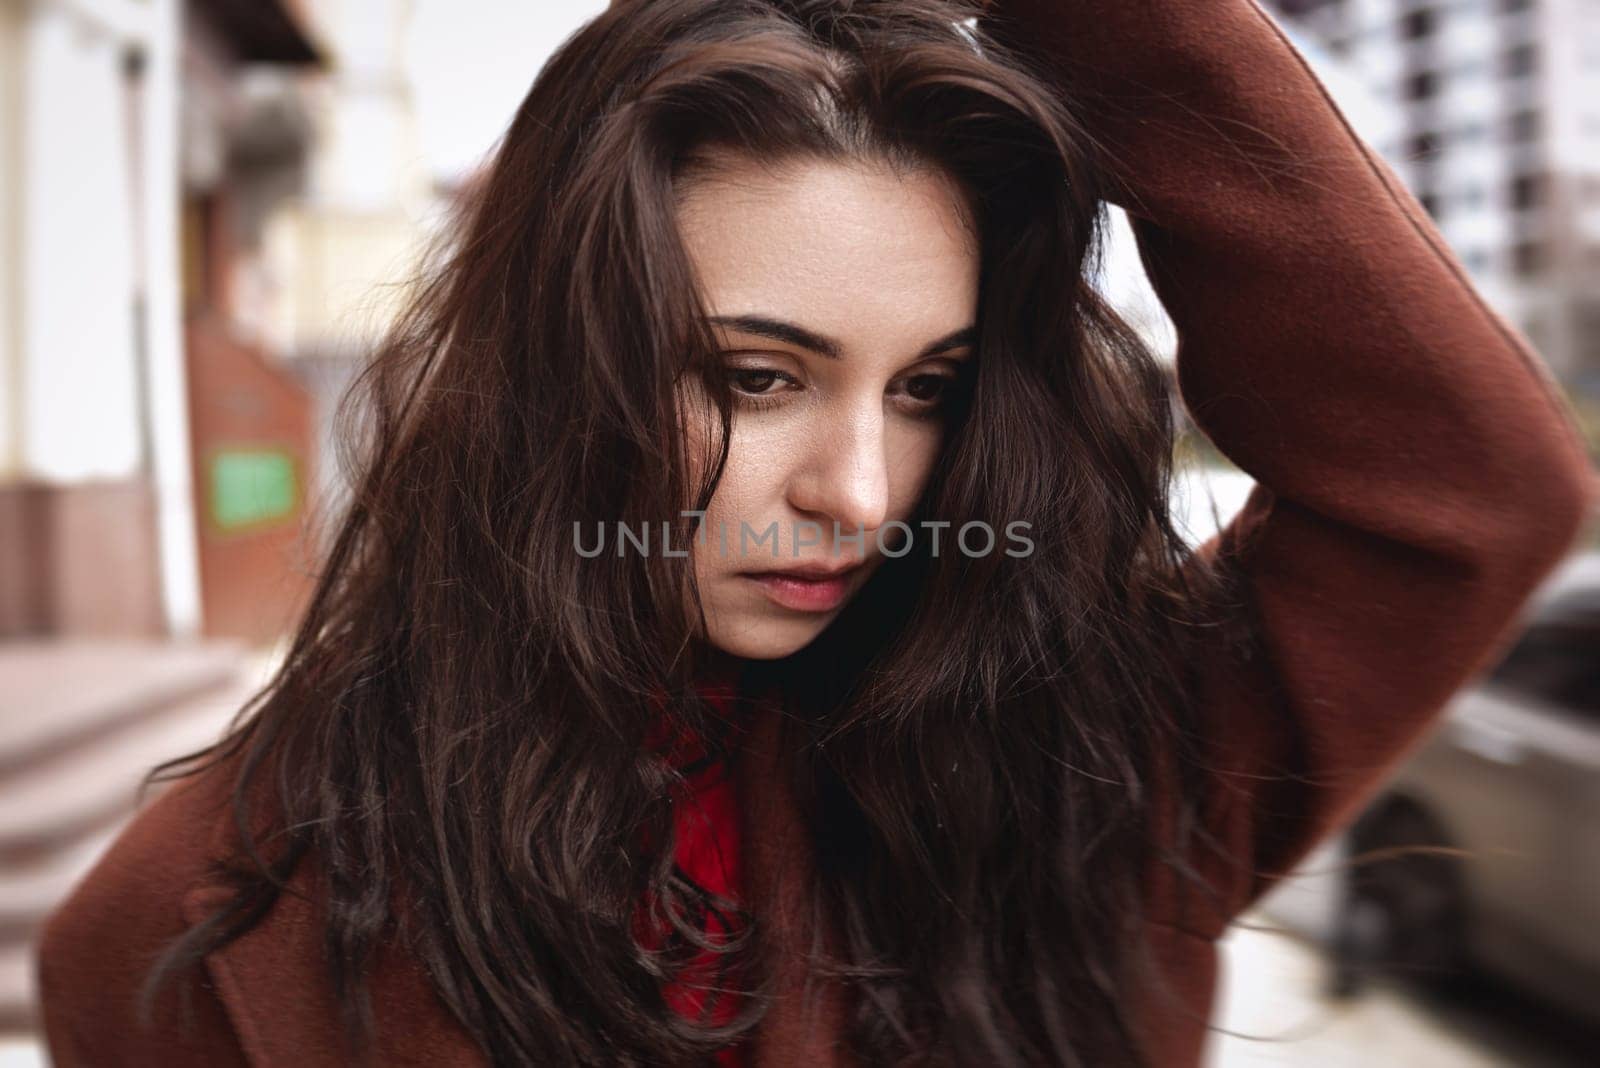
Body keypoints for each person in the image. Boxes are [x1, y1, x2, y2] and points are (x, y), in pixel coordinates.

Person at [36, 0, 1596, 1065]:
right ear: (547, 374)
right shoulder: (198, 925)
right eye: (755, 377)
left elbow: (1465, 490)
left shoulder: (1074, 756)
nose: (862, 491)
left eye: (930, 388)